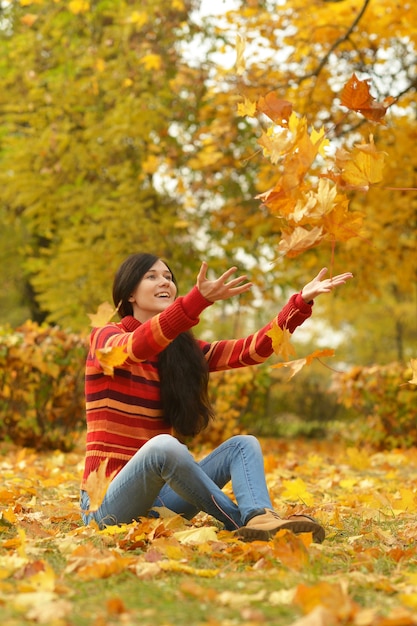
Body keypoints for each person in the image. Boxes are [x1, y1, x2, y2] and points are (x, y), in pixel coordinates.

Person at [80, 253, 353, 542]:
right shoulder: (106, 338)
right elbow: (136, 346)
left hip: (160, 507)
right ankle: (244, 522)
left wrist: (299, 304)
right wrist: (197, 301)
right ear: (130, 293)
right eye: (152, 276)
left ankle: (259, 515)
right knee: (164, 447)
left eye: (168, 277)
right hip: (105, 507)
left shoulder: (181, 352)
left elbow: (252, 350)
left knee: (242, 445)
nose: (165, 282)